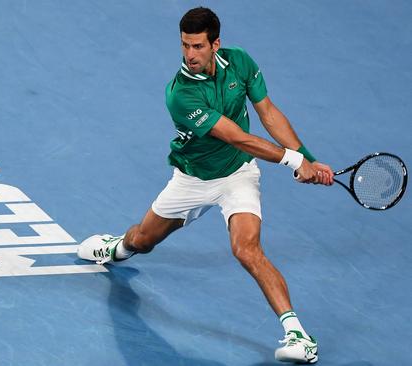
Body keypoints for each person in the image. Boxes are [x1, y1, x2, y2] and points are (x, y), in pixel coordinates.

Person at [77, 7, 334, 364]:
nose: (189, 55)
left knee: (246, 249)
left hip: (238, 176)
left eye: (197, 46)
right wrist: (294, 162)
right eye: (184, 45)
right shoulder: (180, 94)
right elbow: (238, 137)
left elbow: (269, 113)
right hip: (192, 180)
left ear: (216, 44)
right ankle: (118, 248)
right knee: (142, 241)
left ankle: (298, 336)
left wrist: (306, 155)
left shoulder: (240, 62)